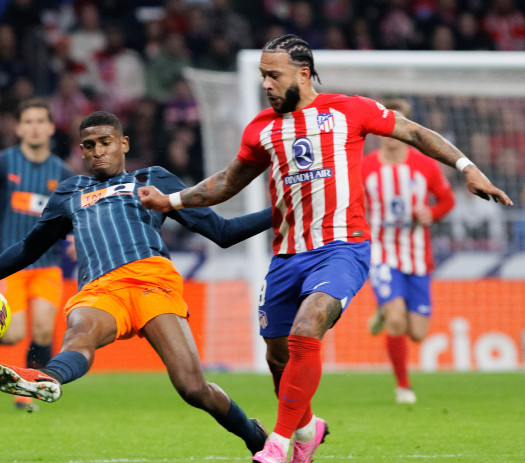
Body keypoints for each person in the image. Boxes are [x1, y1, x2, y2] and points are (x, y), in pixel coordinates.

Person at [137, 34, 513, 463]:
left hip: (342, 248)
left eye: (273, 75)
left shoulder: (348, 110)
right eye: (262, 76)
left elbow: (413, 131)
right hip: (287, 255)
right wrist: (172, 201)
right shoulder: (262, 128)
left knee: (308, 325)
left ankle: (278, 442)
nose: (266, 84)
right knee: (278, 358)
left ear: (303, 73)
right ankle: (307, 428)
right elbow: (226, 182)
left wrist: (467, 168)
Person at [0, 111, 272, 456]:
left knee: (192, 387)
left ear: (123, 144)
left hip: (151, 282)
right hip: (100, 288)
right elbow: (28, 248)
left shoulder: (152, 179)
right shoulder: (71, 192)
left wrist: (281, 210)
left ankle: (254, 435)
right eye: (89, 146)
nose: (97, 151)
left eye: (105, 143)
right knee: (79, 333)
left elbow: (223, 232)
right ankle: (47, 378)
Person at [0, 98, 73, 411]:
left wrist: (76, 237)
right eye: (29, 121)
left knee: (42, 329)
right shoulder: (3, 163)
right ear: (18, 128)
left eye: (41, 121)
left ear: (51, 127)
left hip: (48, 263)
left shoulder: (62, 173)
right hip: (10, 264)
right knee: (13, 334)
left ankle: (26, 392)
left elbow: (74, 213)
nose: (35, 127)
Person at [362, 98, 456, 404]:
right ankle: (403, 386)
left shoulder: (425, 165)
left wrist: (431, 213)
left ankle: (384, 308)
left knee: (417, 333)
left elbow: (446, 200)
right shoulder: (365, 167)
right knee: (397, 321)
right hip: (382, 253)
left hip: (417, 256)